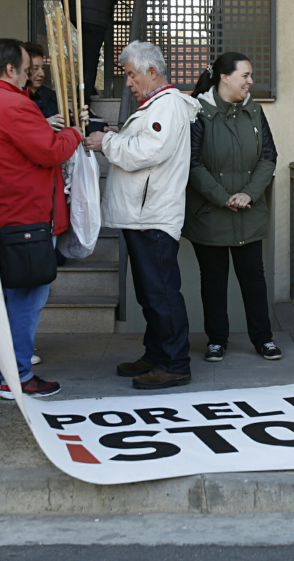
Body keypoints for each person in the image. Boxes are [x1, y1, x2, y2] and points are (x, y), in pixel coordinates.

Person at [0, 39, 83, 399]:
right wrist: (74, 132)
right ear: (10, 69)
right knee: (26, 300)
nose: (32, 74)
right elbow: (50, 152)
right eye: (27, 67)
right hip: (26, 215)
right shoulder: (15, 104)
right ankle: (18, 375)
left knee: (1, 298)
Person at [84, 41, 200, 389]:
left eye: (132, 75)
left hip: (152, 216)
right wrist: (114, 137)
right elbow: (144, 146)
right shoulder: (157, 106)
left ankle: (175, 363)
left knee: (161, 292)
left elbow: (146, 152)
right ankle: (156, 354)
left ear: (152, 72)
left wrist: (106, 142)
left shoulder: (167, 106)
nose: (129, 83)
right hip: (143, 214)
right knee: (151, 292)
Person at [185, 53, 280, 362]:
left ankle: (263, 339)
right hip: (210, 213)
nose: (251, 82)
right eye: (246, 76)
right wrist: (223, 197)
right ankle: (217, 340)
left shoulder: (254, 111)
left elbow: (269, 156)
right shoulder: (198, 112)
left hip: (248, 211)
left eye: (251, 76)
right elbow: (192, 162)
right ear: (224, 78)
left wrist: (248, 194)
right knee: (213, 281)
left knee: (254, 279)